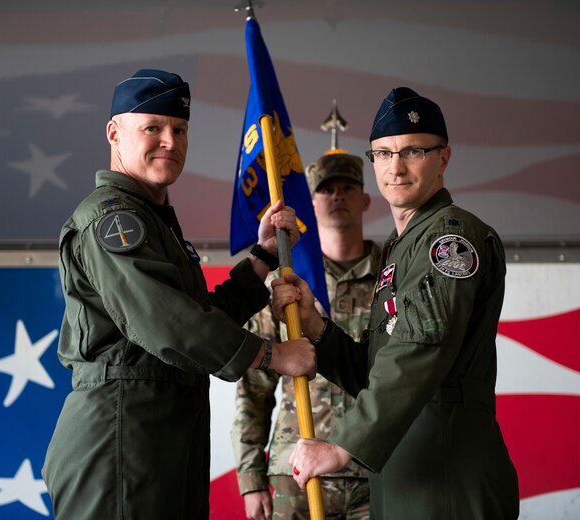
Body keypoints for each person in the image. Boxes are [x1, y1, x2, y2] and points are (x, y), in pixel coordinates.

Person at [41, 68, 316, 520]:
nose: (170, 140)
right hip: (122, 436)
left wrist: (261, 260)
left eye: (180, 129)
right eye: (153, 127)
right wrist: (273, 356)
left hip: (159, 438)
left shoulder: (153, 221)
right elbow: (169, 322)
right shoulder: (111, 220)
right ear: (114, 133)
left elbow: (198, 312)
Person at [271, 87, 520, 519]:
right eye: (383, 155)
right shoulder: (402, 246)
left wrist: (341, 444)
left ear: (443, 158)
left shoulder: (449, 240)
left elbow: (417, 351)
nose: (395, 168)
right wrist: (315, 327)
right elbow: (378, 368)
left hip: (446, 474)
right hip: (405, 468)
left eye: (413, 152)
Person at [232, 149, 381, 520]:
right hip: (296, 473)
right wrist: (250, 479)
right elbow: (254, 386)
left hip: (374, 467)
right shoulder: (289, 284)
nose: (337, 196)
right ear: (310, 203)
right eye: (326, 189)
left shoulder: (390, 277)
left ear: (365, 200)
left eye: (348, 187)